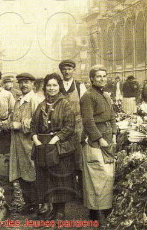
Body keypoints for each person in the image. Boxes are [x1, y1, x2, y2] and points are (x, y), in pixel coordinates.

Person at [31, 73, 76, 220]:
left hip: (60, 147)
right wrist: (35, 139)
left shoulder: (65, 104)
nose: (51, 88)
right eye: (49, 85)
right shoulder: (41, 105)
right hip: (43, 146)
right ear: (45, 87)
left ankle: (60, 210)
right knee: (47, 179)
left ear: (59, 87)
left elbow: (70, 127)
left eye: (54, 85)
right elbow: (33, 125)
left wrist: (56, 138)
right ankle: (52, 208)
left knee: (60, 178)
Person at [80, 65, 117, 224]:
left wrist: (114, 135)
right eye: (98, 76)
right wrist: (99, 138)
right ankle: (97, 213)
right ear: (92, 79)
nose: (102, 79)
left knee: (108, 176)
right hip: (95, 141)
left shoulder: (106, 96)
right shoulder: (88, 96)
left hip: (108, 139)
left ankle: (105, 210)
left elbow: (112, 117)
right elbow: (88, 121)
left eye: (104, 76)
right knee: (97, 176)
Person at [9, 73, 43, 216]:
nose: (23, 85)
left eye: (26, 82)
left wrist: (21, 125)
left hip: (29, 143)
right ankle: (28, 203)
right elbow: (13, 118)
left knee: (32, 173)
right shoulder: (19, 100)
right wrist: (6, 123)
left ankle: (37, 205)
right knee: (21, 174)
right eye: (21, 82)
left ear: (32, 84)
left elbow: (39, 123)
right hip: (17, 144)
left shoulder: (35, 100)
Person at [58, 59, 87, 199]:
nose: (67, 71)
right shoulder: (56, 86)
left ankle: (81, 192)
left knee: (79, 160)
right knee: (63, 160)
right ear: (61, 71)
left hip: (77, 128)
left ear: (73, 70)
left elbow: (86, 108)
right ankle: (67, 192)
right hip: (61, 129)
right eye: (64, 69)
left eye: (69, 69)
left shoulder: (80, 86)